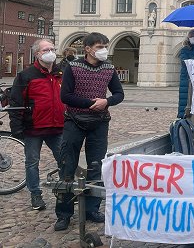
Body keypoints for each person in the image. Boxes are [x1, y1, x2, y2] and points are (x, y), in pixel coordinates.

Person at [54, 32, 124, 231]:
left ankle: (92, 209)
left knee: (96, 166)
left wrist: (107, 101)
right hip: (74, 121)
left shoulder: (109, 68)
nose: (103, 50)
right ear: (87, 49)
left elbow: (119, 93)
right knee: (67, 166)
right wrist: (90, 103)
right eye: (99, 46)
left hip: (99, 122)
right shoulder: (73, 67)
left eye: (105, 45)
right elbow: (65, 96)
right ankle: (64, 213)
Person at [9, 39, 65, 211]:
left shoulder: (61, 73)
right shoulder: (26, 75)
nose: (50, 52)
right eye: (46, 49)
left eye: (52, 49)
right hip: (33, 127)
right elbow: (16, 101)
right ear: (37, 54)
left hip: (57, 126)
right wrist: (16, 127)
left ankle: (65, 192)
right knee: (32, 163)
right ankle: (35, 194)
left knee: (65, 161)